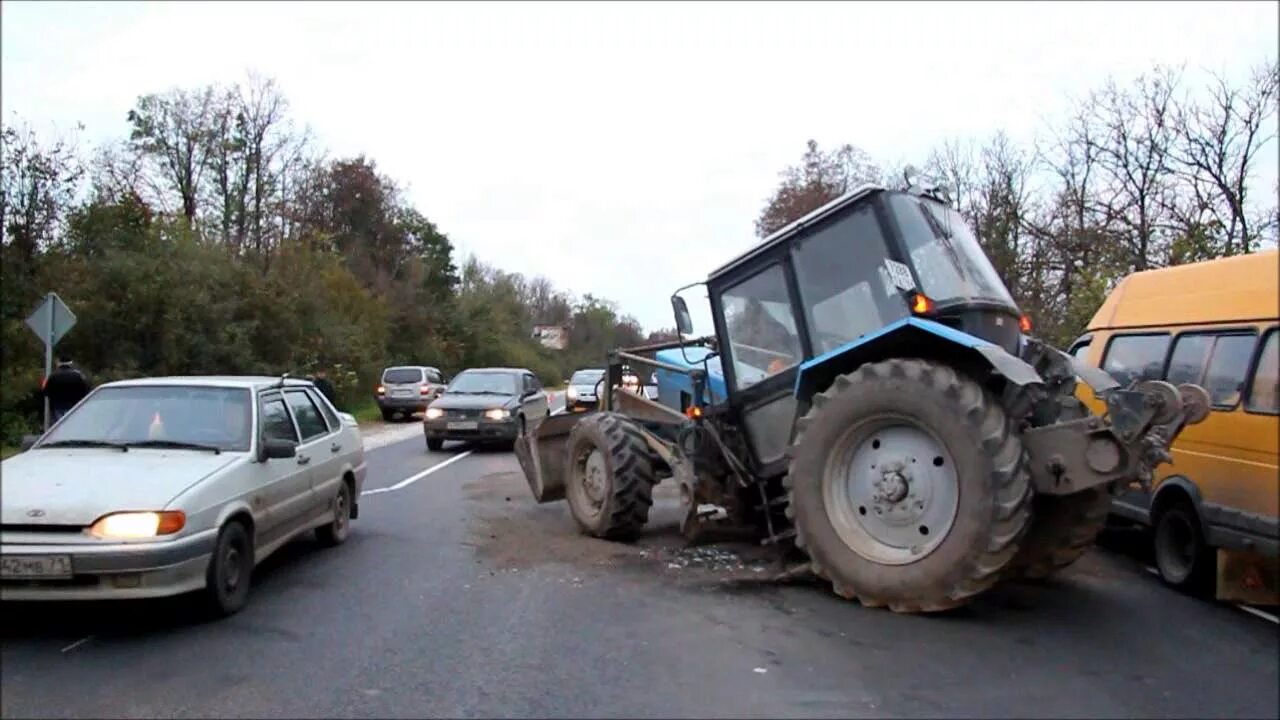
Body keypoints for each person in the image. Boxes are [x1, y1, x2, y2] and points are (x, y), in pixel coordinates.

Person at [43, 356, 91, 423]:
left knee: (59, 425)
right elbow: (86, 390)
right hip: (74, 406)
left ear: (59, 364)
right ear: (71, 364)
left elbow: (46, 391)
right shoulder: (78, 375)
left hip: (58, 406)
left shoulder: (53, 376)